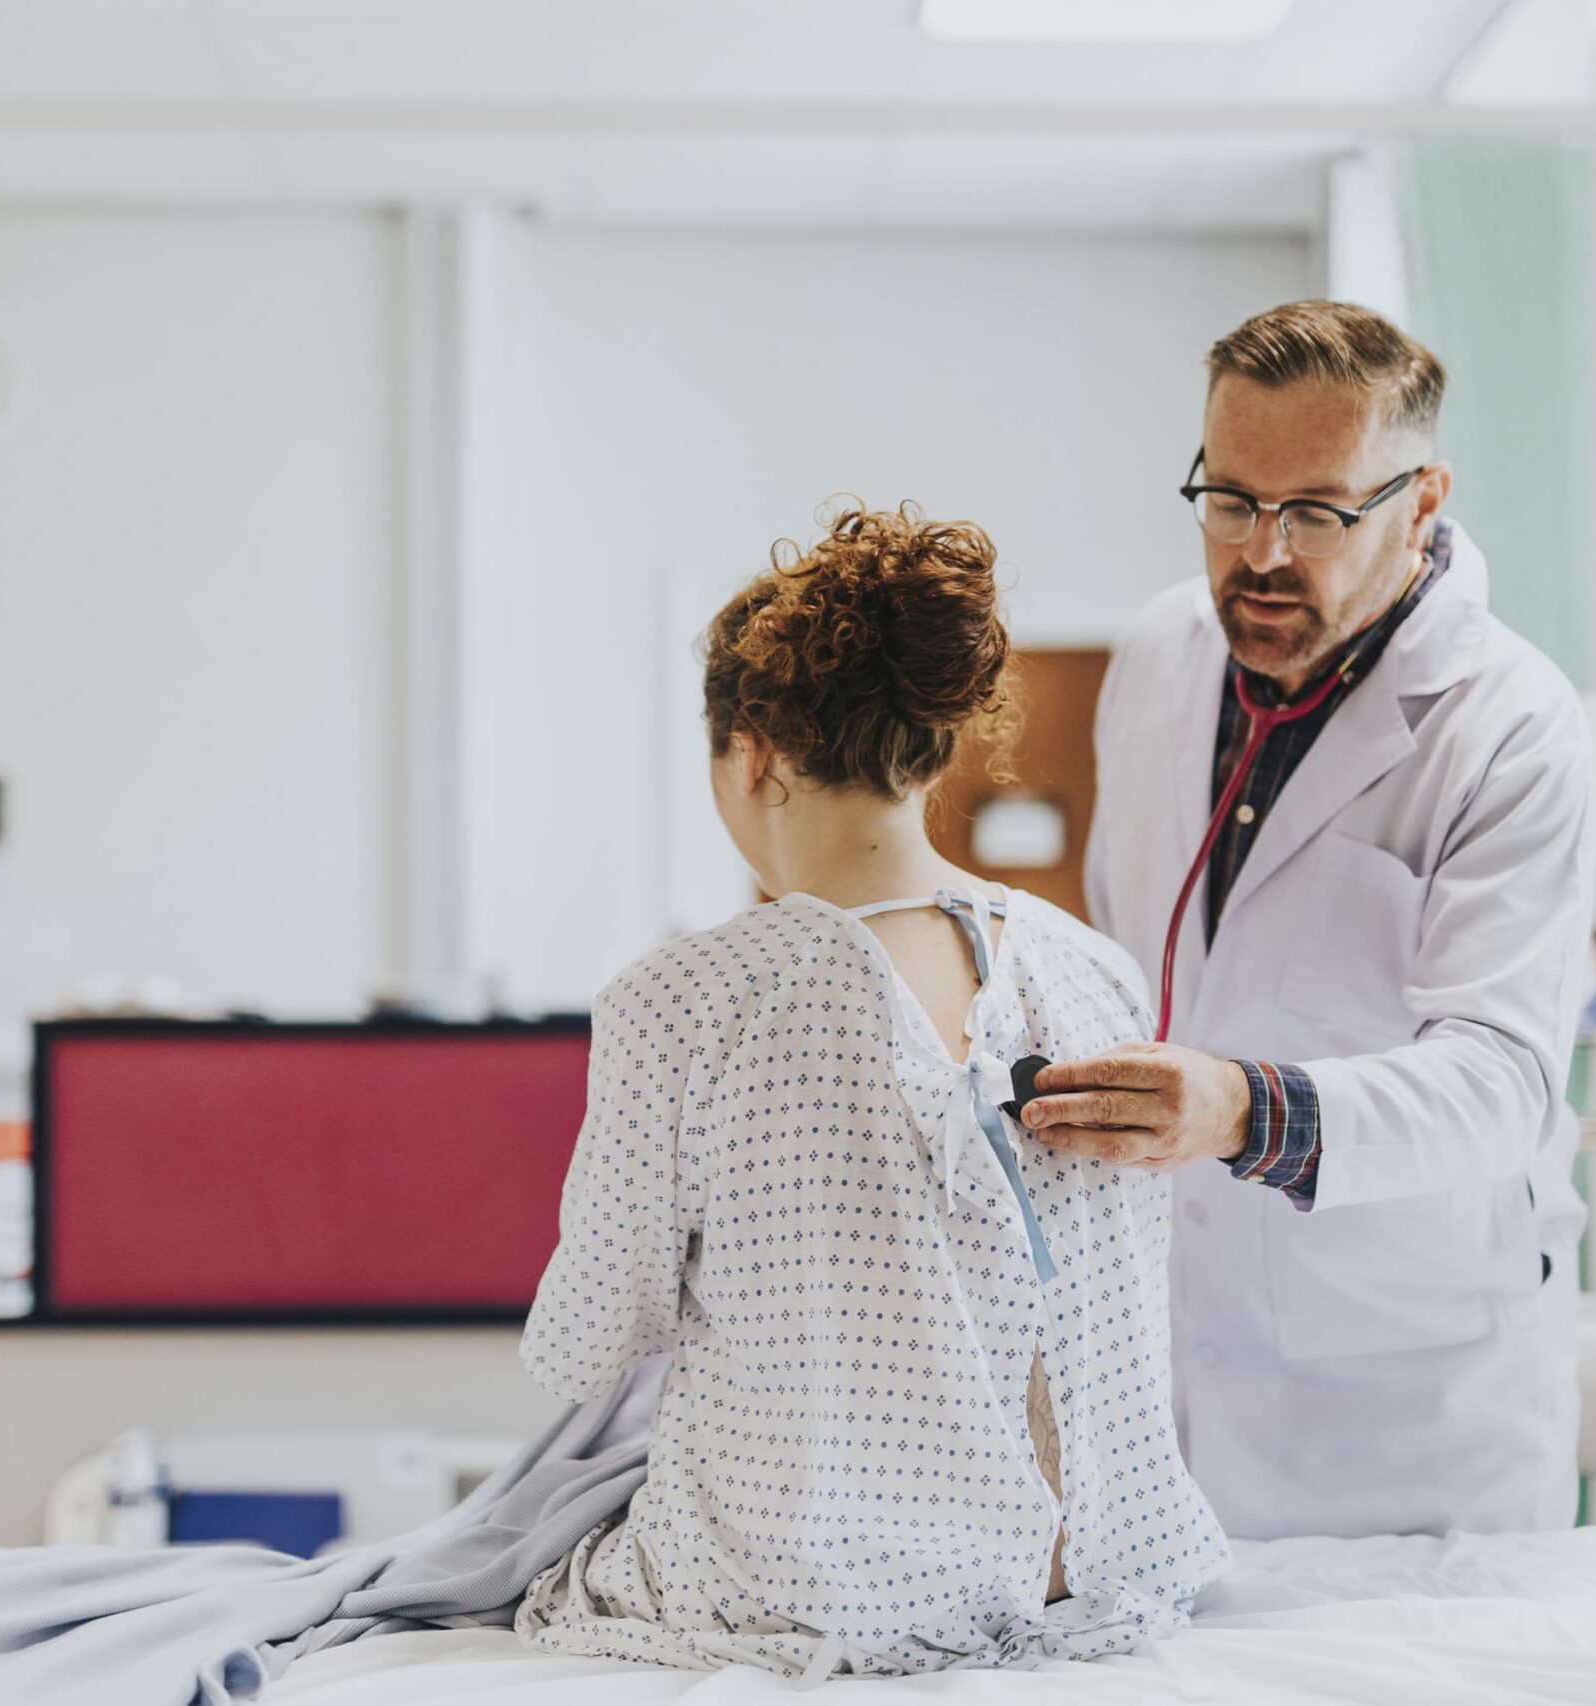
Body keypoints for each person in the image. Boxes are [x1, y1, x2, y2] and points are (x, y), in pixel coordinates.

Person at [513, 506, 1229, 1681]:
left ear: (750, 752)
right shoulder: (1090, 969)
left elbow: (585, 1342)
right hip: (1104, 1571)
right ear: (929, 749)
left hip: (826, 1590)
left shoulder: (683, 998)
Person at [1022, 301, 1595, 1541]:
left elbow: (1502, 1084)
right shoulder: (1159, 656)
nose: (1262, 553)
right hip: (1170, 1373)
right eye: (1229, 500)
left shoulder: (1509, 725)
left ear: (1422, 499)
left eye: (1318, 511)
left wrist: (1237, 1108)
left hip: (1409, 1407)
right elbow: (1131, 964)